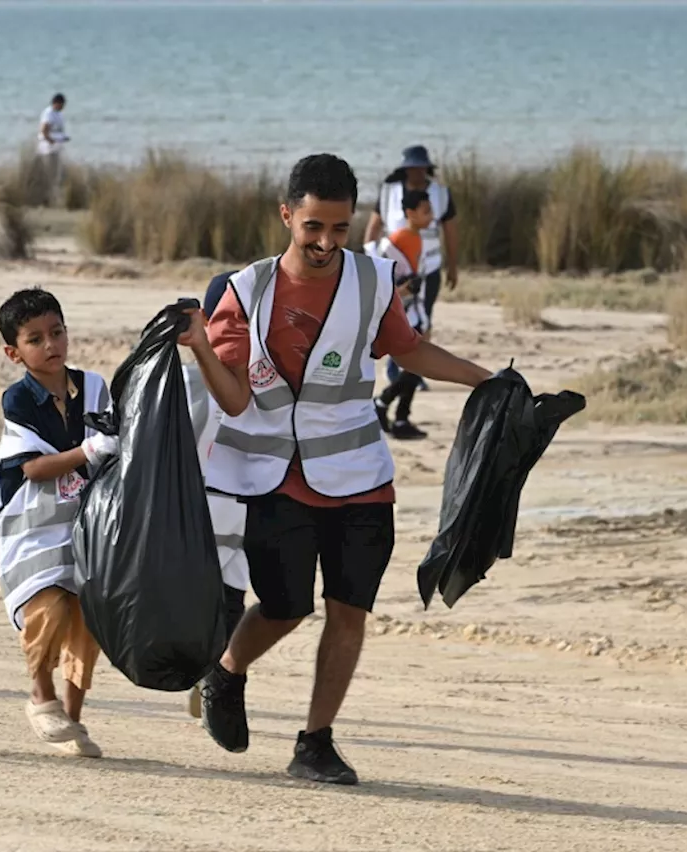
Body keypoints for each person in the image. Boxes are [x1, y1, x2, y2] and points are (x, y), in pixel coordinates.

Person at [178, 153, 492, 785]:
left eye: (339, 229)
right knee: (286, 606)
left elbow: (408, 348)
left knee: (350, 611)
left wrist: (488, 381)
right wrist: (201, 348)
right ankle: (228, 669)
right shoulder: (247, 291)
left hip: (360, 475)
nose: (325, 243)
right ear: (287, 214)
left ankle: (315, 742)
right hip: (272, 480)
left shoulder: (374, 282)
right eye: (313, 227)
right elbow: (235, 399)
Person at [0, 288, 119, 758]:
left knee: (90, 618)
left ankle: (73, 720)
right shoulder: (18, 400)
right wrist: (88, 451)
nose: (51, 345)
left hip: (92, 522)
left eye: (57, 332)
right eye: (35, 339)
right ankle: (41, 693)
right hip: (36, 527)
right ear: (13, 352)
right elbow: (32, 468)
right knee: (50, 608)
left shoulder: (96, 387)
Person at [182, 269, 250, 720]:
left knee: (230, 605)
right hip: (197, 519)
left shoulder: (264, 385)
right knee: (196, 606)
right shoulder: (187, 385)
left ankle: (209, 675)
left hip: (240, 522)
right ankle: (196, 671)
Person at [363, 145, 459, 389]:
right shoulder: (389, 193)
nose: (416, 172)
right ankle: (398, 368)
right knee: (397, 319)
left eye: (420, 167)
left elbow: (450, 231)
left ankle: (413, 372)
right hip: (397, 271)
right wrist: (370, 259)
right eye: (412, 168)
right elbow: (373, 229)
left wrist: (453, 266)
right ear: (405, 170)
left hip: (430, 267)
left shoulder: (441, 194)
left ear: (427, 168)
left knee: (423, 318)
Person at [368, 189, 433, 440]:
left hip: (415, 310)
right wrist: (402, 290)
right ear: (410, 213)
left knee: (418, 363)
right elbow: (382, 282)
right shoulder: (398, 240)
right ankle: (386, 405)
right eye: (426, 211)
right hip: (402, 311)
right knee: (417, 362)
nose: (431, 216)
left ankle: (400, 415)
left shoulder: (416, 238)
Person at [37, 93, 70, 206]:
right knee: (49, 175)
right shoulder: (48, 113)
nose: (63, 107)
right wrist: (50, 140)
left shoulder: (59, 114)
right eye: (62, 104)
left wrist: (63, 138)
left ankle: (52, 198)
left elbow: (58, 131)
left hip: (57, 148)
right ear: (57, 103)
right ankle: (45, 200)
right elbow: (44, 129)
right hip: (48, 149)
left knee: (58, 175)